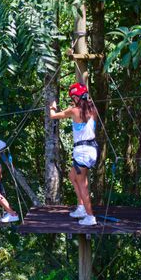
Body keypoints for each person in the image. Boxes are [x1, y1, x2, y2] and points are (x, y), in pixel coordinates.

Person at [49, 83, 98, 226]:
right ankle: (81, 207)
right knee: (72, 176)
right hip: (91, 150)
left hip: (82, 151)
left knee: (82, 184)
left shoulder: (74, 111)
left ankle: (90, 216)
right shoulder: (93, 109)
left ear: (76, 97)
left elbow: (53, 116)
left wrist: (52, 106)